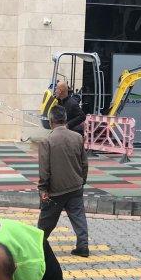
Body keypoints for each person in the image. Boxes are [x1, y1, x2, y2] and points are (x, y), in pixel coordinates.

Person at [37, 105, 90, 257]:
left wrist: (43, 188)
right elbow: (84, 163)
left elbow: (44, 169)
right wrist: (82, 180)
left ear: (51, 121)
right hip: (75, 186)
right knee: (78, 217)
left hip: (55, 190)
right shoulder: (78, 137)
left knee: (46, 222)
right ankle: (83, 246)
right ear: (65, 119)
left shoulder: (47, 141)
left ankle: (38, 246)